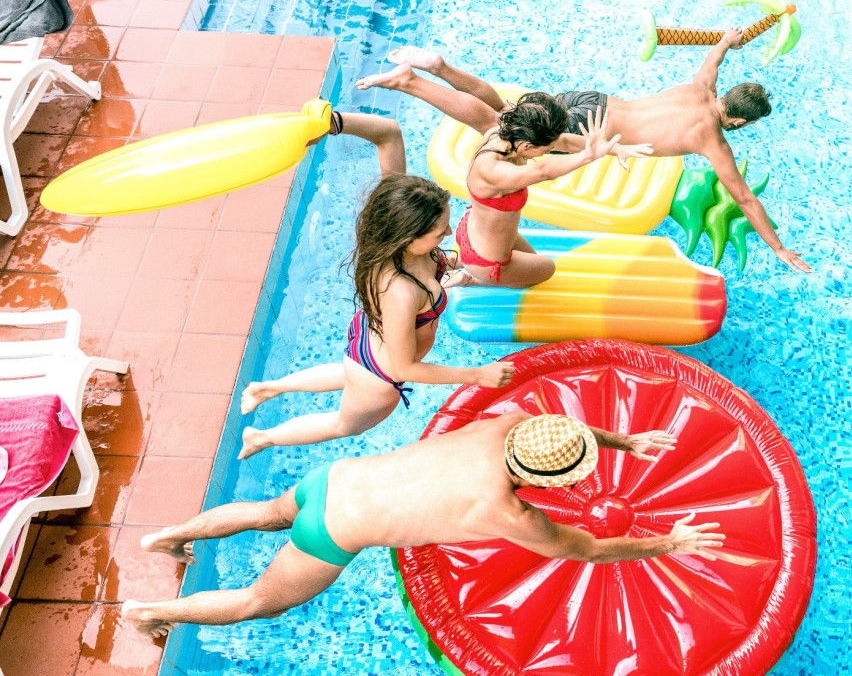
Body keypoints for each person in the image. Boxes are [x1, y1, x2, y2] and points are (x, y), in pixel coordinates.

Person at [122, 414, 725, 637]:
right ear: (550, 482)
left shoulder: (508, 424)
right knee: (259, 602)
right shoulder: (507, 512)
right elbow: (590, 550)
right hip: (335, 531)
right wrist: (669, 542)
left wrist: (623, 440)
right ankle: (150, 612)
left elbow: (557, 430)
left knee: (265, 513)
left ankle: (170, 535)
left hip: (333, 480)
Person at [356, 31, 812, 274]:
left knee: (505, 115)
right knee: (495, 124)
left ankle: (436, 69)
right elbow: (744, 198)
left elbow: (715, 56)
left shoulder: (701, 87)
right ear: (740, 121)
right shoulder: (713, 140)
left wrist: (728, 40)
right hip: (591, 128)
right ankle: (423, 76)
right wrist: (778, 247)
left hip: (590, 102)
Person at [237, 112, 514, 460]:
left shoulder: (391, 225)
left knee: (350, 372)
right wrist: (476, 374)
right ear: (408, 236)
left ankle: (269, 388)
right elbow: (403, 369)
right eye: (439, 232)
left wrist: (330, 121)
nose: (448, 232)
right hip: (381, 375)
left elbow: (388, 132)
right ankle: (261, 437)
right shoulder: (402, 291)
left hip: (368, 342)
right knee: (343, 425)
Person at [355, 68, 649, 289]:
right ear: (528, 146)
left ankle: (452, 261)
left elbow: (469, 100)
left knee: (531, 257)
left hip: (477, 233)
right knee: (546, 269)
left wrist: (614, 148)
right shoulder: (494, 170)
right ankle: (469, 278)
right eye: (545, 149)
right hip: (486, 261)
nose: (550, 151)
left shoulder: (503, 131)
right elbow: (543, 171)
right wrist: (588, 156)